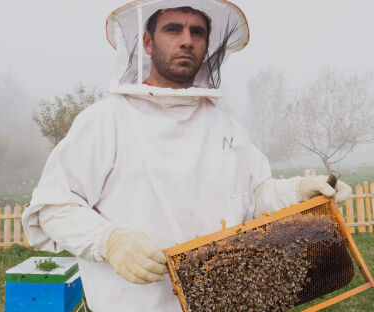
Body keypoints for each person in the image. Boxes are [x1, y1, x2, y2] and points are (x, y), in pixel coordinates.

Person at [22, 1, 352, 311]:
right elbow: (54, 206)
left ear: (208, 45)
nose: (186, 41)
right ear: (147, 42)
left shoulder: (227, 127)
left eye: (198, 32)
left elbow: (252, 198)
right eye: (173, 29)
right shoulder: (106, 120)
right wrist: (109, 240)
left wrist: (295, 192)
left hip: (222, 301)